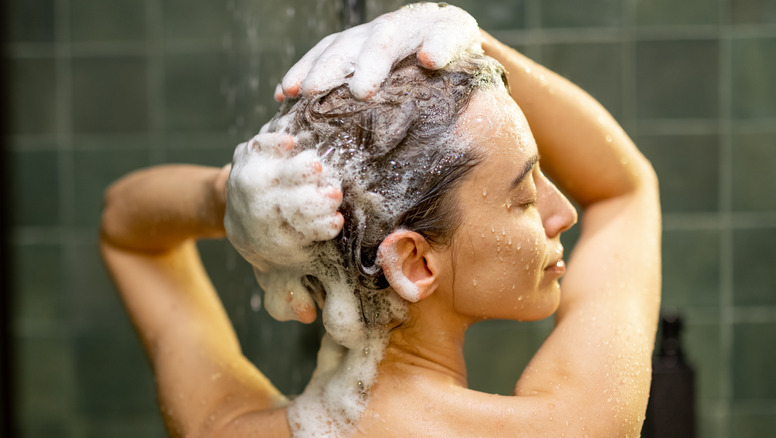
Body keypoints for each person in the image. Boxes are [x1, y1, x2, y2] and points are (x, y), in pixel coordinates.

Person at [100, 3, 660, 437]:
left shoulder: (219, 427)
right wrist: (466, 35)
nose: (561, 212)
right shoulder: (574, 426)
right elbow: (622, 190)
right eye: (524, 196)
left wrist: (236, 196)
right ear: (413, 262)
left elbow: (124, 228)